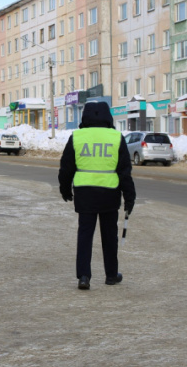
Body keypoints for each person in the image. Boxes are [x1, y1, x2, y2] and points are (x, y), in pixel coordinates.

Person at [58, 101, 136, 290]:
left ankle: (84, 277)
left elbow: (66, 167)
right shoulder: (116, 138)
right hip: (109, 193)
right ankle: (111, 275)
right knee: (109, 236)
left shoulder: (77, 137)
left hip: (84, 193)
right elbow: (124, 172)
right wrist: (129, 196)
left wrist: (65, 189)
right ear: (108, 117)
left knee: (85, 235)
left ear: (85, 117)